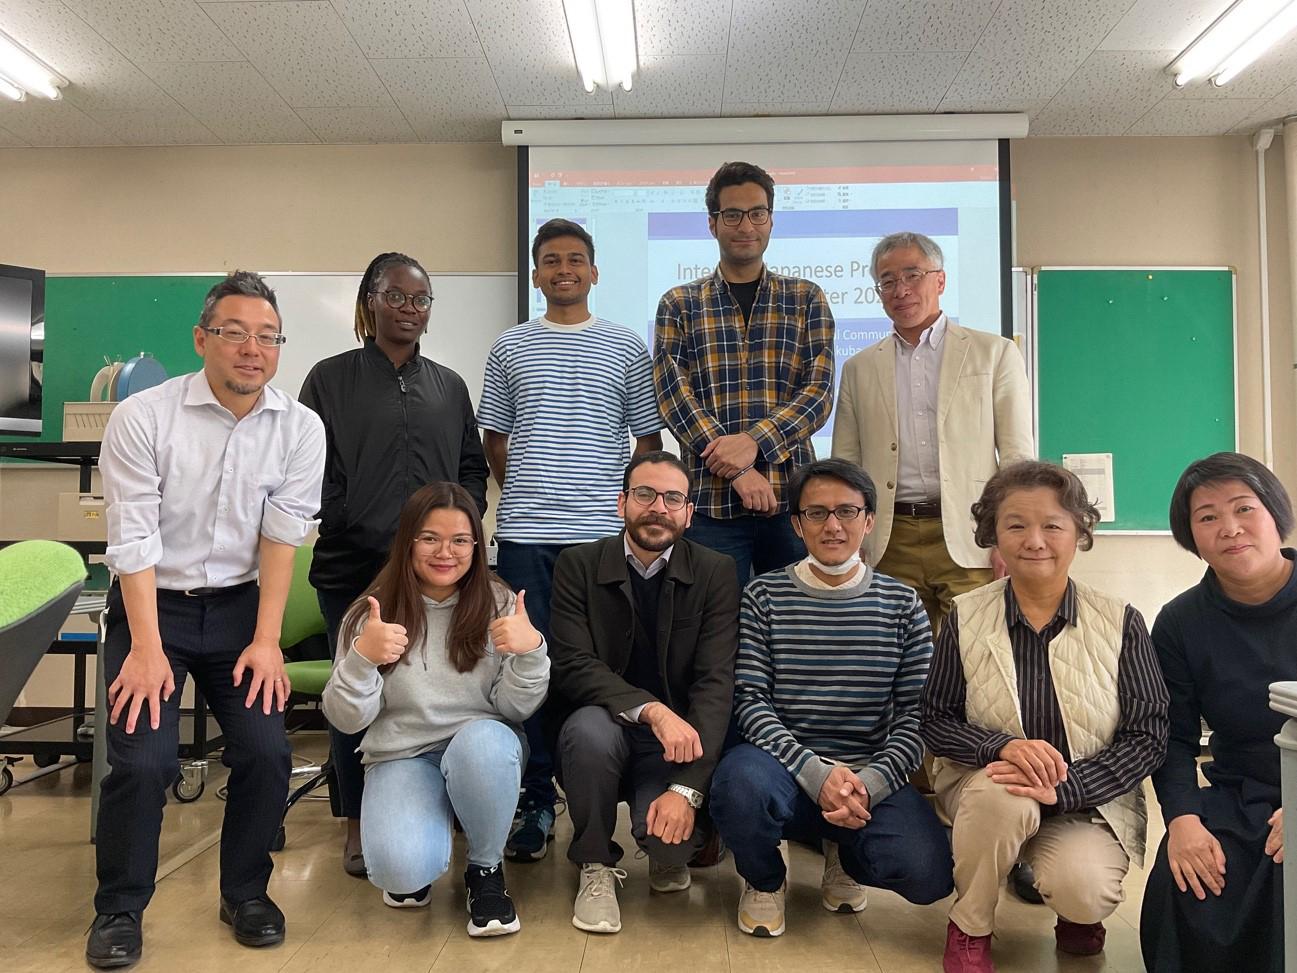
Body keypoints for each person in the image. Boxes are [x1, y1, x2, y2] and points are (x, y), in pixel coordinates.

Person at [87, 272, 326, 969]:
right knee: (144, 759)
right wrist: (146, 649)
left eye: (267, 336)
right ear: (202, 338)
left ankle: (245, 891)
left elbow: (283, 539)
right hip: (148, 606)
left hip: (240, 611)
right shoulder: (143, 417)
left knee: (265, 751)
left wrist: (266, 641)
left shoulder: (299, 427)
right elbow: (132, 538)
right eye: (234, 333)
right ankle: (119, 908)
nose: (252, 349)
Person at [921, 460, 1168, 973]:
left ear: (1080, 532)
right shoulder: (966, 615)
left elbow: (1148, 735)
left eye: (1052, 525)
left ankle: (1074, 910)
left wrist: (1066, 787)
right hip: (988, 787)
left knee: (1086, 891)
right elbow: (935, 719)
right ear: (993, 535)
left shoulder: (1120, 620)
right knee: (1002, 793)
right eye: (1015, 525)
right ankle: (970, 926)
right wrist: (1001, 749)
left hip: (1086, 799)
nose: (1035, 540)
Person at [478, 218, 663, 862]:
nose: (564, 269)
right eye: (551, 260)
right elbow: (495, 440)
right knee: (524, 669)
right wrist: (536, 489)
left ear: (594, 270)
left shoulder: (625, 347)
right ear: (536, 274)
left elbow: (645, 443)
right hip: (527, 534)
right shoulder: (509, 346)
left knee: (597, 670)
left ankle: (596, 803)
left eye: (576, 259)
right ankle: (531, 801)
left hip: (601, 541)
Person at [299, 251, 489, 878]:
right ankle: (357, 819)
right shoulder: (330, 379)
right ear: (370, 301)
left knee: (444, 687)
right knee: (357, 690)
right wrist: (349, 516)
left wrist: (459, 530)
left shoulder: (449, 385)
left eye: (421, 299)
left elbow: (470, 467)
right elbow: (310, 471)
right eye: (397, 296)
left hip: (435, 571)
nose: (410, 309)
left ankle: (449, 806)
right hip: (352, 567)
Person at [709, 458, 953, 939]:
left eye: (847, 511)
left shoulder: (902, 604)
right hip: (782, 768)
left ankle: (845, 850)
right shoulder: (764, 595)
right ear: (797, 524)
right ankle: (764, 880)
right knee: (738, 787)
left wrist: (868, 783)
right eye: (817, 513)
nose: (833, 526)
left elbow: (915, 716)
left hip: (867, 772)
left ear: (869, 520)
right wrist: (817, 775)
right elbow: (752, 701)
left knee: (929, 875)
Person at [321, 482, 548, 938]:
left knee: (484, 743)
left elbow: (514, 707)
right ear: (407, 541)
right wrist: (362, 659)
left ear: (476, 546)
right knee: (401, 872)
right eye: (429, 538)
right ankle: (427, 824)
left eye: (461, 540)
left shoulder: (499, 602)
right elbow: (347, 720)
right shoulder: (371, 613)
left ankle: (484, 870)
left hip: (482, 750)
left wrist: (532, 652)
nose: (446, 552)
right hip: (404, 756)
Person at [547, 451, 739, 934]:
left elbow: (716, 683)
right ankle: (594, 861)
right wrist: (650, 710)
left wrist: (687, 788)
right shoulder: (578, 564)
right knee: (587, 730)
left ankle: (662, 844)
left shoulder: (716, 571)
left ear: (689, 513)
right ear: (622, 504)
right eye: (645, 494)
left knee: (673, 849)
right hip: (604, 727)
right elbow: (572, 664)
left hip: (675, 745)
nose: (659, 507)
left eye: (673, 498)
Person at [1140, 452, 1297, 972]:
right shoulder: (1180, 621)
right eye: (1207, 517)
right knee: (1189, 876)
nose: (1229, 528)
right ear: (1192, 537)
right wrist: (1182, 819)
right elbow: (1172, 737)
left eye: (1243, 508)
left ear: (1275, 513)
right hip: (1240, 787)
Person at [832, 231, 1032, 631]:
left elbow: (1016, 458)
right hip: (890, 540)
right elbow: (846, 468)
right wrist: (853, 540)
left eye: (912, 275)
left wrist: (1011, 533)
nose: (900, 290)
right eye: (887, 281)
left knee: (975, 660)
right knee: (897, 668)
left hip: (970, 532)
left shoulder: (993, 353)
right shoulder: (858, 368)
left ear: (940, 280)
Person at [655, 160, 835, 586]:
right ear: (713, 224)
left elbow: (819, 393)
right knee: (712, 632)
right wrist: (737, 470)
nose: (745, 225)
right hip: (709, 505)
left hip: (792, 501)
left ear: (771, 220)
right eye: (732, 214)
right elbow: (673, 397)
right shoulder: (680, 303)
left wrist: (755, 443)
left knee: (795, 628)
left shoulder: (806, 298)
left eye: (757, 213)